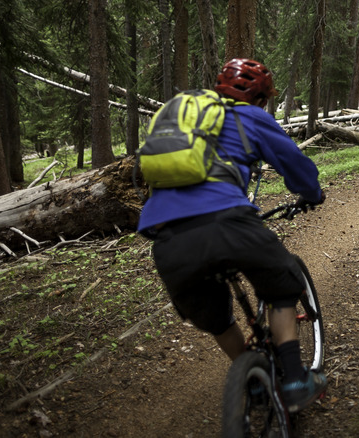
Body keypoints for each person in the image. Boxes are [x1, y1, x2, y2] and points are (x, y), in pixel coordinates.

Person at [137, 58, 327, 413]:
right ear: (259, 98)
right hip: (228, 224)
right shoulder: (251, 117)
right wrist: (312, 194)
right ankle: (296, 381)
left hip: (169, 243)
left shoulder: (186, 123)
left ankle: (253, 381)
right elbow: (295, 166)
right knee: (283, 285)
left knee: (216, 317)